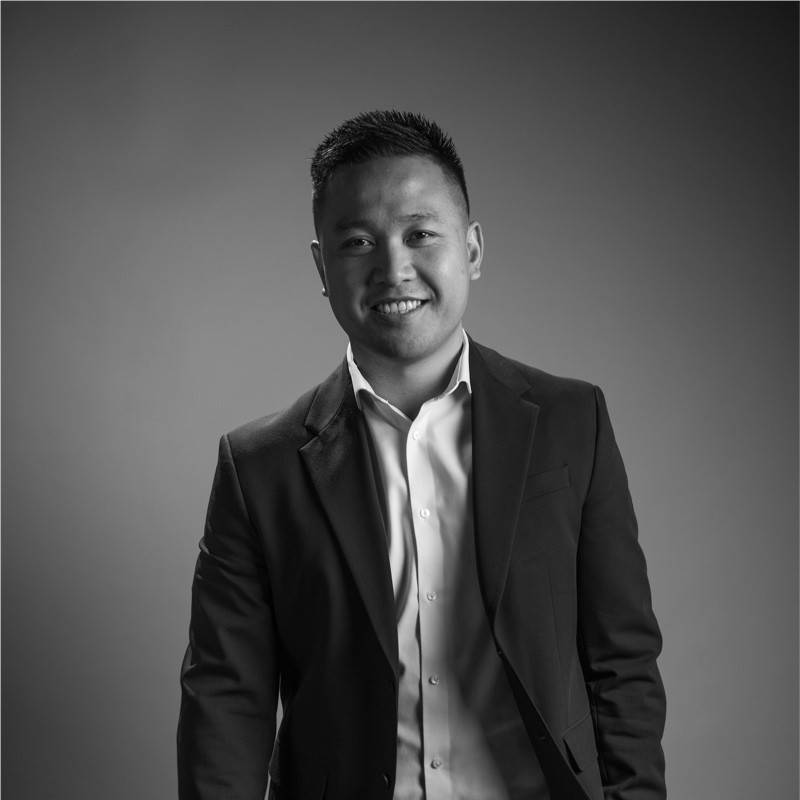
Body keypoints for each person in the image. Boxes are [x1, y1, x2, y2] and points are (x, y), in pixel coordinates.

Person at [177, 110, 666, 800]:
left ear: (472, 249)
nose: (393, 268)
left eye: (420, 234)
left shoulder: (570, 421)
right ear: (322, 267)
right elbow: (226, 699)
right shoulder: (259, 467)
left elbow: (623, 661)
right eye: (357, 242)